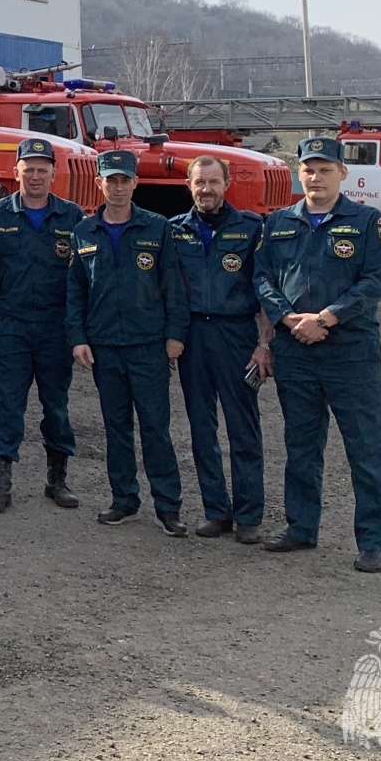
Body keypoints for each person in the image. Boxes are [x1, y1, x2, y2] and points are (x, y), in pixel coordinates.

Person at [254, 136, 381, 573]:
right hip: (295, 349)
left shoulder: (367, 221)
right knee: (300, 444)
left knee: (366, 446)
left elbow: (376, 282)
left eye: (324, 169)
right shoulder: (279, 222)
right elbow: (261, 279)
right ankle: (301, 527)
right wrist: (289, 321)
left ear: (343, 174)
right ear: (299, 174)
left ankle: (374, 541)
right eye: (308, 169)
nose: (315, 177)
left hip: (350, 350)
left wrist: (328, 318)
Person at [67, 149, 189, 535]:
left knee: (155, 426)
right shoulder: (84, 231)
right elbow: (75, 292)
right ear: (99, 183)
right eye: (110, 180)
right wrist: (78, 339)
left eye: (124, 180)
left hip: (148, 344)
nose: (117, 187)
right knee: (116, 427)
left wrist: (174, 335)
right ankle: (124, 500)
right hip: (104, 346)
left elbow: (173, 286)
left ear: (136, 183)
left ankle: (168, 506)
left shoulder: (157, 227)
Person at [170, 156, 274, 543]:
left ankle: (249, 516)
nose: (207, 189)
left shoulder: (251, 228)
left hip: (236, 335)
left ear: (227, 183)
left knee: (243, 427)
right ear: (189, 185)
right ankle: (216, 510)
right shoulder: (174, 231)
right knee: (201, 428)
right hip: (194, 335)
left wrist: (264, 343)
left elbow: (264, 289)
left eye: (214, 182)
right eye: (200, 183)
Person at [0, 137, 85, 512]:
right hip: (12, 325)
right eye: (29, 170)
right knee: (7, 404)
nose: (36, 176)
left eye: (43, 170)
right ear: (16, 173)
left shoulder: (73, 217)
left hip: (55, 327)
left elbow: (84, 277)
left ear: (54, 174)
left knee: (55, 405)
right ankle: (1, 483)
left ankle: (57, 480)